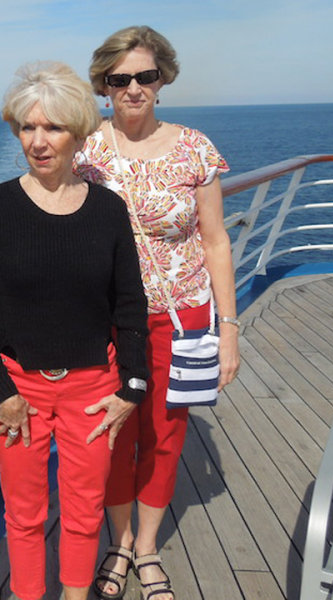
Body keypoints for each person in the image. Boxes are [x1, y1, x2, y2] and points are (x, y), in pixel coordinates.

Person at [0, 62, 149, 600]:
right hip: (18, 388)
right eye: (27, 127)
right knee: (24, 513)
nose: (38, 142)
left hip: (92, 387)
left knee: (84, 511)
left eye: (54, 128)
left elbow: (130, 304)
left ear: (79, 134)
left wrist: (132, 387)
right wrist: (2, 392)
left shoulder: (108, 211)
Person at [73, 25, 241, 600]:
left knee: (166, 436)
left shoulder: (195, 148)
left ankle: (145, 548)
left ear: (162, 79)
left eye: (145, 76)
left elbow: (216, 241)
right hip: (107, 318)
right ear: (104, 85)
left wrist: (229, 330)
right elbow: (46, 212)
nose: (134, 88)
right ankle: (118, 543)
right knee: (115, 433)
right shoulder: (85, 148)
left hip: (182, 314)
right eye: (120, 79)